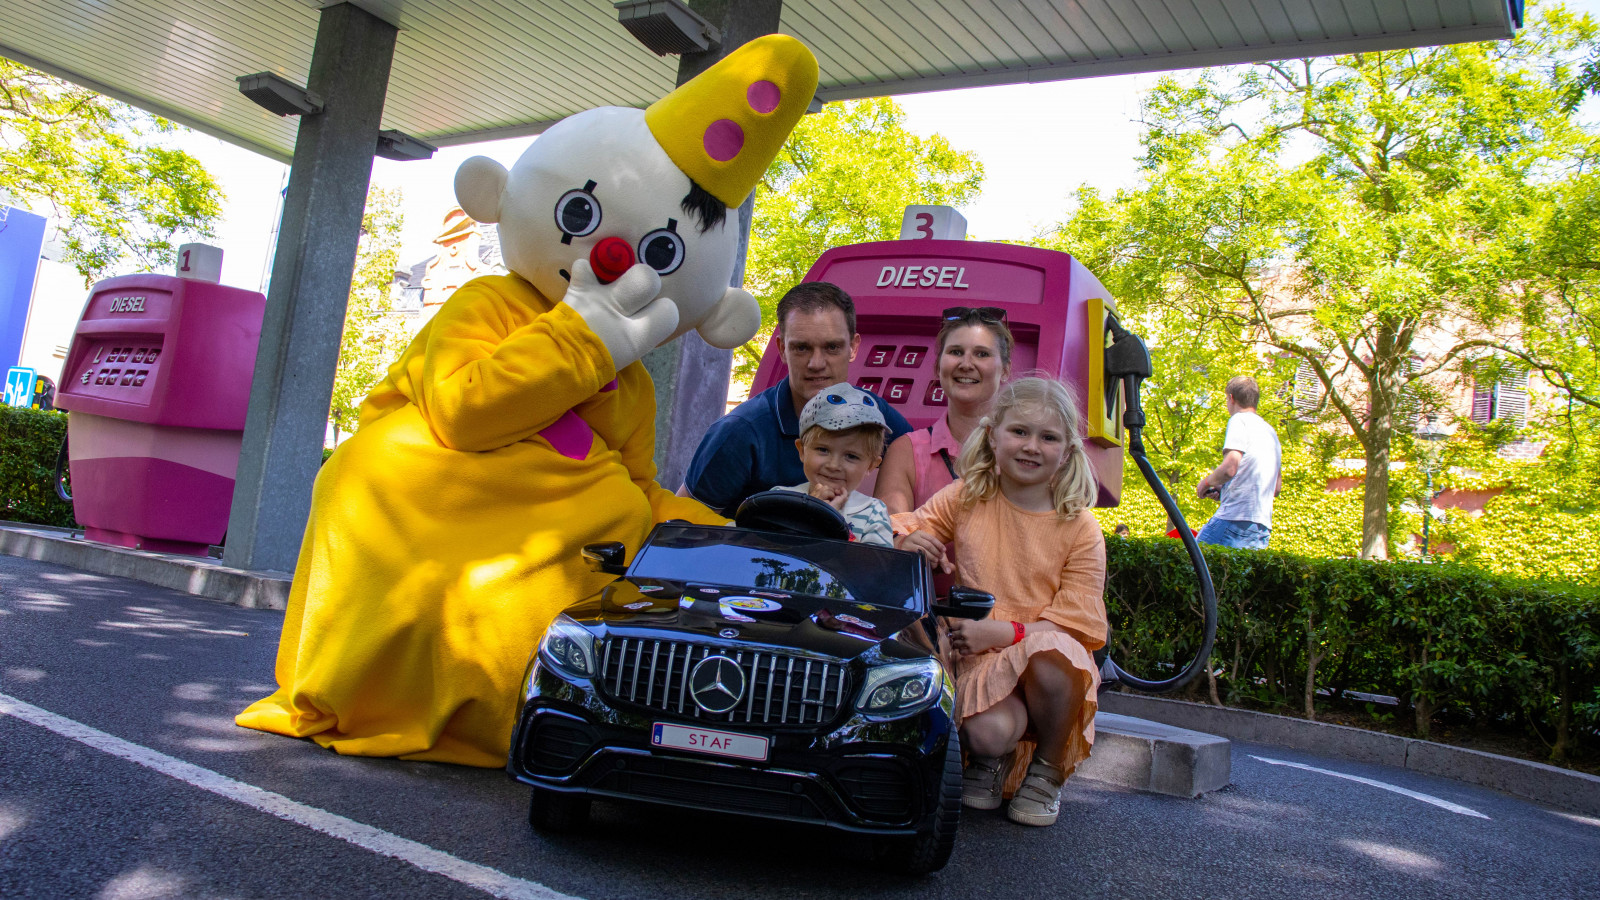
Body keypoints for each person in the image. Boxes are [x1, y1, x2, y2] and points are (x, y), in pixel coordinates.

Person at [893, 376, 1106, 827]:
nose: (1031, 446)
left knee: (1056, 654)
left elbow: (1077, 624)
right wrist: (910, 537)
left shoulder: (1080, 525)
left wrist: (1007, 631)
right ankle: (994, 759)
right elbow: (910, 522)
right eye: (1020, 432)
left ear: (1067, 451)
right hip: (980, 655)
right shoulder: (970, 495)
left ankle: (1047, 771)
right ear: (993, 435)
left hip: (1044, 652)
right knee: (987, 735)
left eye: (1048, 437)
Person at [683, 282, 912, 517]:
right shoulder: (740, 432)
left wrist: (903, 531)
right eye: (802, 348)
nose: (816, 364)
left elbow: (929, 471)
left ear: (853, 347)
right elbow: (683, 527)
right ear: (782, 349)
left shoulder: (876, 414)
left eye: (832, 347)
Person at [876, 306, 1014, 514]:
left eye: (982, 354)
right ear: (938, 367)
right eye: (956, 352)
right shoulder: (906, 452)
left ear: (1005, 370)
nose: (966, 364)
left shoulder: (1023, 450)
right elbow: (887, 537)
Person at [775, 382, 893, 546]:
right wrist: (809, 513)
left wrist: (832, 522)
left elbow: (874, 567)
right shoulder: (780, 498)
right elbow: (768, 552)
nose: (833, 465)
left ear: (871, 465)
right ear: (802, 450)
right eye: (823, 450)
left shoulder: (873, 512)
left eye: (851, 456)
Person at [1195, 376, 1282, 550]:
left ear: (1231, 398)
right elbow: (1276, 488)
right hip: (1261, 527)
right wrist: (1224, 490)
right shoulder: (1270, 432)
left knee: (1193, 565)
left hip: (1233, 519)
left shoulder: (1239, 420)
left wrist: (1205, 483)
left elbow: (1230, 468)